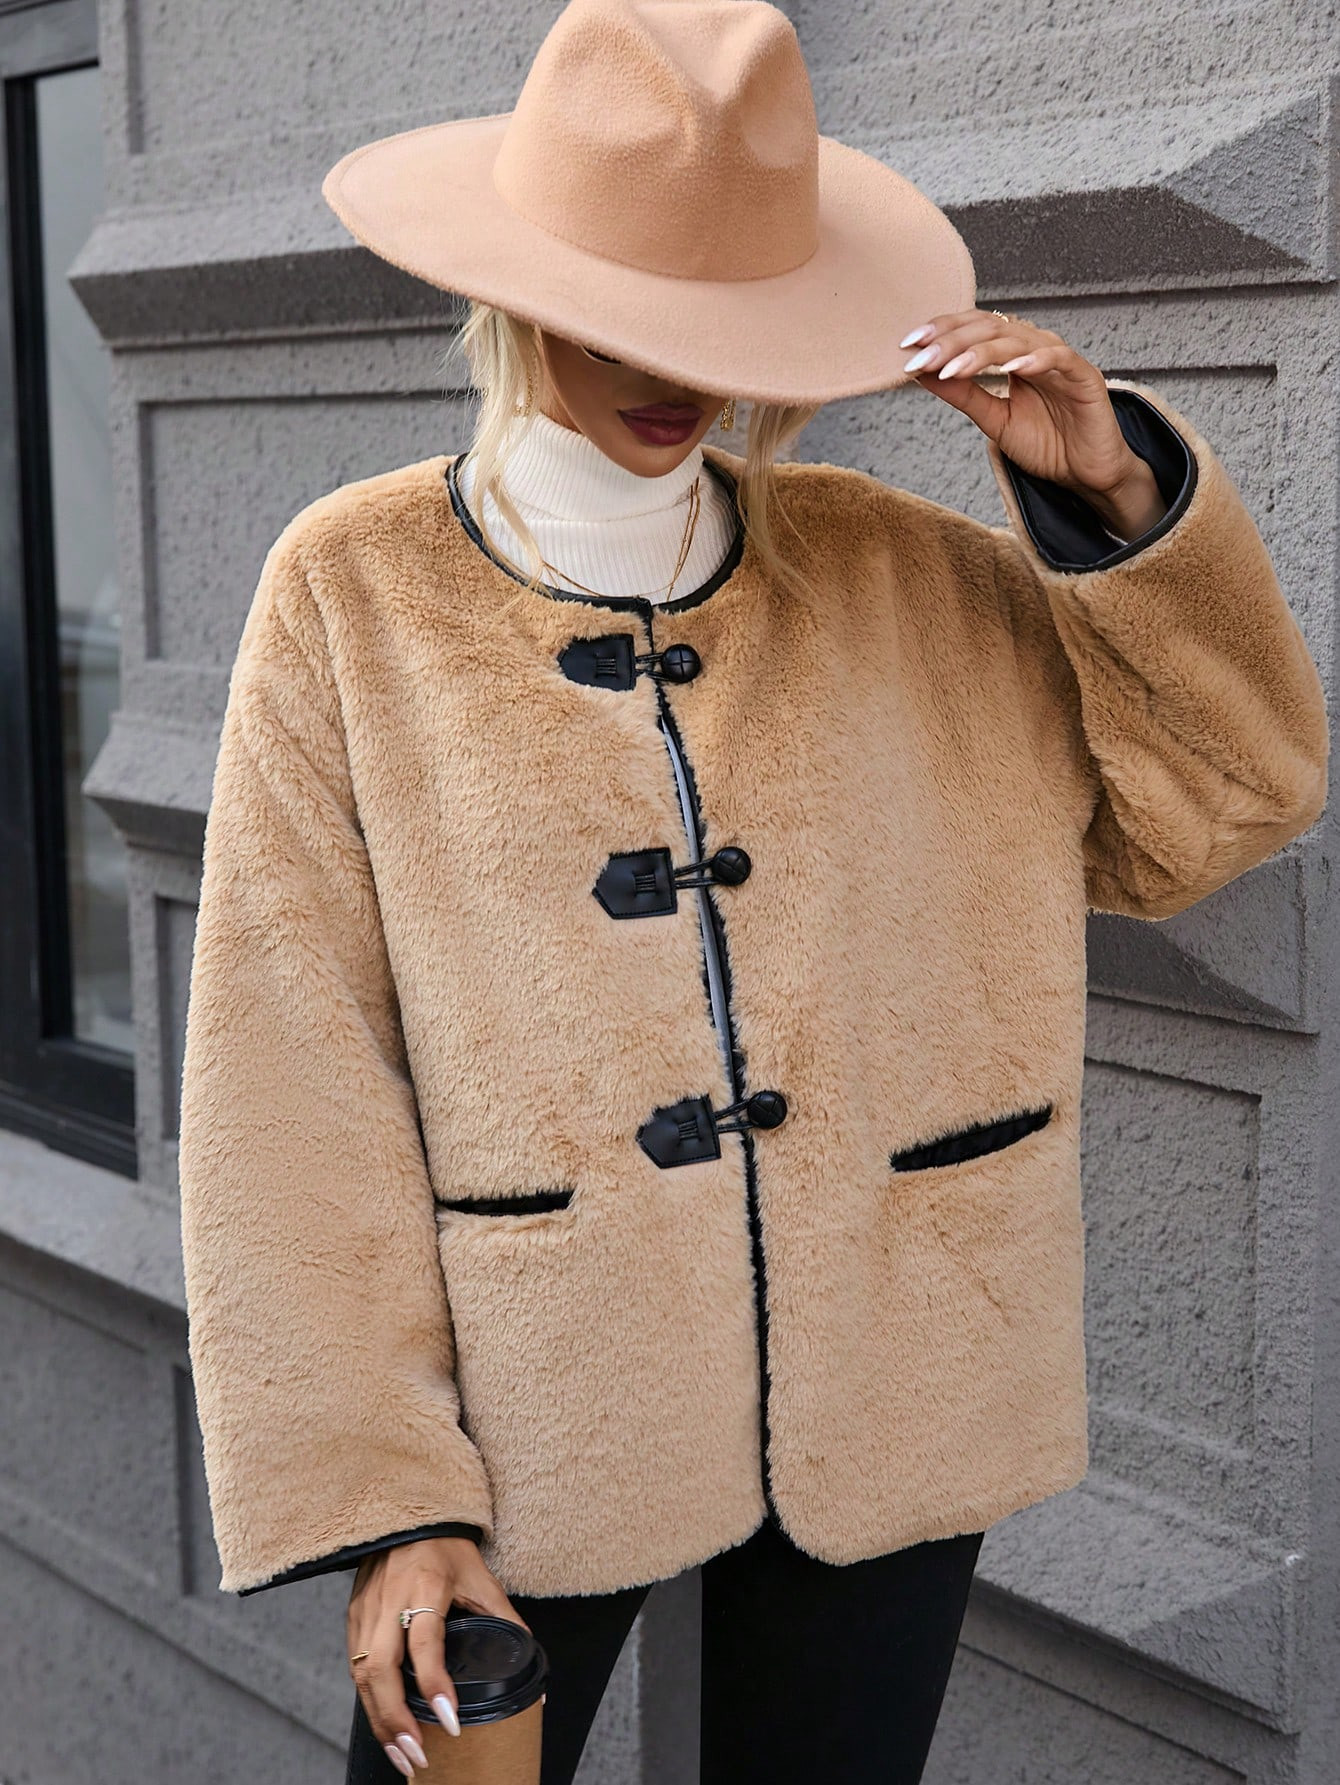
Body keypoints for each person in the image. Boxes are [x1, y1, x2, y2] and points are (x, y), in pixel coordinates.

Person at [175, 3, 1330, 1783]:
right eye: (618, 314)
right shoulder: (355, 590)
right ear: (511, 290)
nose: (674, 373)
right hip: (533, 1389)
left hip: (897, 1351)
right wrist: (386, 1495)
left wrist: (1111, 500)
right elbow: (287, 1070)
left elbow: (1224, 801)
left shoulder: (904, 575)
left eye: (718, 324)